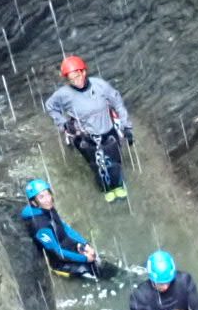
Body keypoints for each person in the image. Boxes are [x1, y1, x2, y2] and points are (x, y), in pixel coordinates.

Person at [45, 55, 134, 201]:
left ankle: (117, 185)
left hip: (107, 131)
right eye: (71, 79)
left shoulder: (100, 86)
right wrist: (62, 123)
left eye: (77, 76)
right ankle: (106, 188)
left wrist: (127, 127)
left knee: (114, 163)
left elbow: (117, 103)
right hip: (85, 137)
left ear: (84, 72)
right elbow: (50, 106)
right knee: (96, 166)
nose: (75, 81)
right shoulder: (63, 94)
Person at [19, 178, 117, 279]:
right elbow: (58, 253)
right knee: (91, 271)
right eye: (41, 197)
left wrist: (83, 244)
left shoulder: (46, 208)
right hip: (60, 263)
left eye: (48, 194)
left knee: (99, 260)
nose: (48, 199)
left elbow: (65, 228)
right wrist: (84, 259)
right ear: (34, 203)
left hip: (66, 245)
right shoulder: (40, 226)